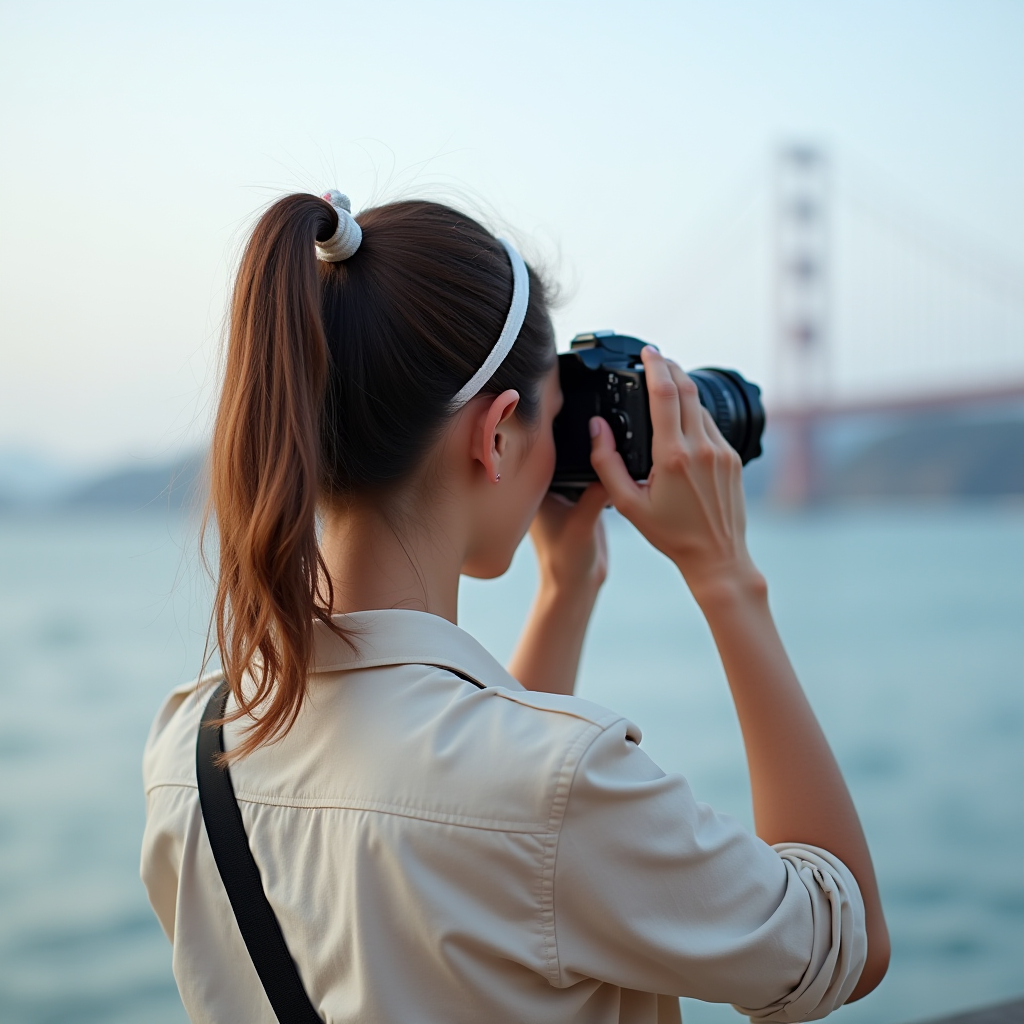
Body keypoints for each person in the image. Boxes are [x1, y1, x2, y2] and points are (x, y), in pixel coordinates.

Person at [141, 190, 889, 1024]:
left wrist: (566, 592)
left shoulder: (189, 741)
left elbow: (478, 837)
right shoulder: (563, 786)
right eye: (555, 420)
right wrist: (724, 576)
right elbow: (838, 945)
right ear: (496, 436)